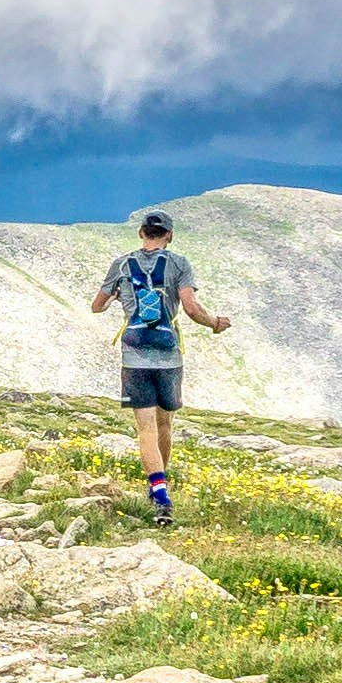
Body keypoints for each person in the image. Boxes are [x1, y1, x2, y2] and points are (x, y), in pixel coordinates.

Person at [89, 210, 233, 519]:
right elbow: (192, 308)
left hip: (134, 355)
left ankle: (159, 493)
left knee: (145, 429)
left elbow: (96, 307)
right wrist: (215, 323)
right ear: (168, 235)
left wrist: (115, 298)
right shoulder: (179, 264)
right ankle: (159, 489)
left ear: (141, 233)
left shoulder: (121, 265)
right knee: (165, 424)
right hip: (169, 356)